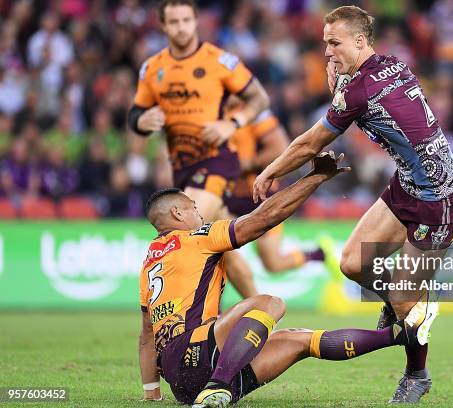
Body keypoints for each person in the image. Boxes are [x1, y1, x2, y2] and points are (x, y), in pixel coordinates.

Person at [253, 5, 453, 403]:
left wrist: (270, 171)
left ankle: (416, 374)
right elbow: (357, 101)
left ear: (359, 41)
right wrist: (339, 86)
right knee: (352, 262)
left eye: (334, 43)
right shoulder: (392, 63)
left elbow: (312, 142)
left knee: (406, 300)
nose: (327, 52)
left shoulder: (358, 88)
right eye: (324, 44)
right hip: (409, 185)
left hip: (440, 202)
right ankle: (403, 301)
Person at [139, 153, 409, 407]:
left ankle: (399, 335)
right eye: (193, 208)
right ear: (177, 214)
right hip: (199, 354)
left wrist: (152, 394)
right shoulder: (196, 238)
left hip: (182, 384)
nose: (199, 213)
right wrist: (314, 178)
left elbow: (147, 336)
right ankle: (218, 385)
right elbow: (263, 218)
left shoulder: (149, 264)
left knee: (297, 340)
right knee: (269, 303)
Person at [127, 0, 269, 299]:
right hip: (182, 167)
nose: (181, 27)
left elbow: (259, 98)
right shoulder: (152, 69)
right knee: (224, 250)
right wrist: (142, 121)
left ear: (196, 21)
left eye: (186, 20)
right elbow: (135, 114)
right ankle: (263, 311)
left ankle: (189, 326)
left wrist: (232, 123)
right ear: (164, 26)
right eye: (174, 22)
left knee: (185, 237)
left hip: (217, 160)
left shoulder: (219, 61)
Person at [223, 96, 332, 274]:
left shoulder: (254, 113)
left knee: (273, 264)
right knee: (219, 254)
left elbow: (279, 147)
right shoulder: (212, 110)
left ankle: (318, 255)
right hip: (224, 195)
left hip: (259, 195)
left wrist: (247, 164)